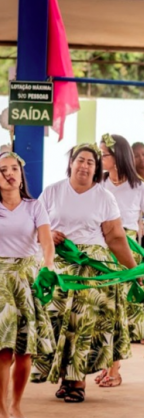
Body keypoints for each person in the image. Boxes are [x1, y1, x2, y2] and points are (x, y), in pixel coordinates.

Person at [32, 143, 137, 404]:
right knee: (54, 317)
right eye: (80, 160)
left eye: (91, 162)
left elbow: (114, 236)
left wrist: (134, 270)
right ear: (71, 163)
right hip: (59, 264)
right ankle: (64, 376)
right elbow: (34, 227)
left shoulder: (104, 197)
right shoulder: (53, 192)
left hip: (92, 268)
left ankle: (77, 380)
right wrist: (47, 234)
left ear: (96, 168)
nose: (85, 165)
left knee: (82, 320)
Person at [99, 133, 144, 387]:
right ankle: (108, 367)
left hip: (127, 251)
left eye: (104, 153)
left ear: (116, 157)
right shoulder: (100, 184)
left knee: (117, 310)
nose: (101, 158)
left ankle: (114, 370)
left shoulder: (139, 187)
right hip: (102, 249)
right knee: (104, 309)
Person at [0, 151, 55, 418]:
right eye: (3, 170)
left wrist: (48, 265)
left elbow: (47, 242)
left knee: (24, 352)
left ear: (21, 174)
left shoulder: (35, 206)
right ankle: (1, 409)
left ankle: (16, 405)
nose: (10, 174)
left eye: (14, 169)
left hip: (26, 279)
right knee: (3, 351)